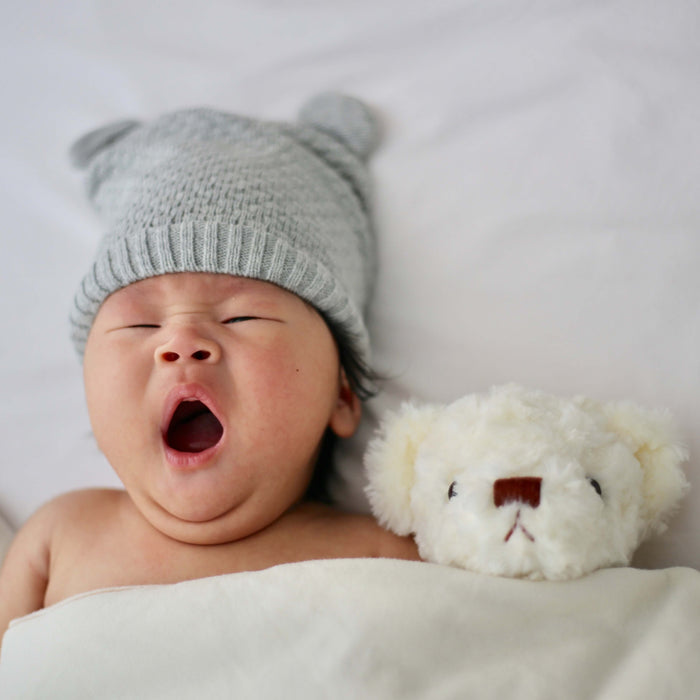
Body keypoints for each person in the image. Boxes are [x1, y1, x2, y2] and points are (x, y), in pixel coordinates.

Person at [0, 93, 419, 647]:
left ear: (341, 395)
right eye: (140, 325)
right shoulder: (57, 537)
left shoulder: (383, 555)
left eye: (242, 315)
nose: (181, 341)